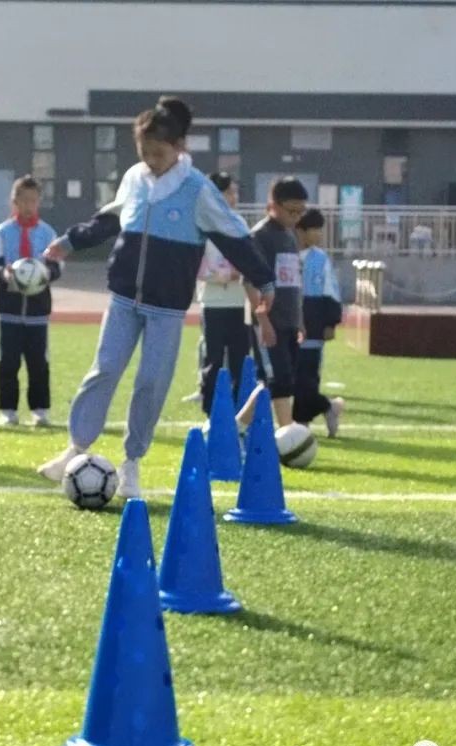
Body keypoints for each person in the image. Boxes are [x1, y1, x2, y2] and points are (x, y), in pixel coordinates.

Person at [37, 96, 275, 497]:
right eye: (144, 152)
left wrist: (265, 282)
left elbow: (234, 234)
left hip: (166, 307)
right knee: (104, 369)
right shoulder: (135, 178)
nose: (150, 160)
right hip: (124, 297)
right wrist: (68, 242)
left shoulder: (197, 190)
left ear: (180, 147)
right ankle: (76, 448)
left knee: (151, 382)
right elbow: (109, 218)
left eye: (158, 153)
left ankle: (132, 463)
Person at [0, 175, 61, 427]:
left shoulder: (48, 232)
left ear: (39, 201)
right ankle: (8, 409)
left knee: (39, 361)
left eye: (33, 200)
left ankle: (40, 409)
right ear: (14, 202)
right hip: (9, 309)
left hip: (38, 310)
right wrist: (4, 275)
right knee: (8, 361)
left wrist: (45, 274)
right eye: (23, 200)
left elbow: (57, 265)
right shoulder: (2, 232)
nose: (29, 205)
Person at [234, 177, 309, 431]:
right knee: (278, 381)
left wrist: (299, 319)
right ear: (272, 206)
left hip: (287, 321)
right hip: (267, 323)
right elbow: (249, 282)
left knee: (275, 381)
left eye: (301, 212)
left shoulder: (289, 236)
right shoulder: (260, 236)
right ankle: (287, 433)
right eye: (291, 211)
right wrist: (263, 321)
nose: (296, 217)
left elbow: (293, 282)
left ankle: (237, 427)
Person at [197, 171, 251, 415]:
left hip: (240, 301)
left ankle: (240, 411)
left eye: (235, 191)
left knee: (241, 359)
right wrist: (218, 275)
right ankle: (211, 410)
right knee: (214, 359)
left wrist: (240, 272)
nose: (234, 196)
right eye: (229, 191)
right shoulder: (202, 223)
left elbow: (250, 257)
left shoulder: (239, 223)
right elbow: (196, 264)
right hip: (213, 302)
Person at [292, 209, 344, 436]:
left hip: (313, 323)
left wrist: (331, 322)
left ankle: (302, 424)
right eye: (315, 230)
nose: (319, 235)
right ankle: (329, 407)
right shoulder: (285, 253)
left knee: (307, 375)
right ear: (300, 231)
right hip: (288, 322)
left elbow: (331, 291)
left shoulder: (320, 259)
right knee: (289, 375)